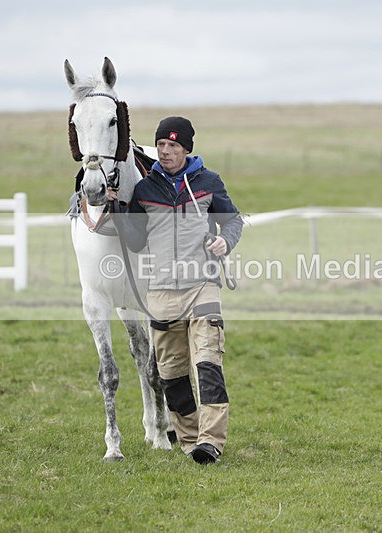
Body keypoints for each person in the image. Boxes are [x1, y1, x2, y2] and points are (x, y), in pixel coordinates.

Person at [114, 116, 243, 464]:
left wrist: (223, 241)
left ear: (186, 148)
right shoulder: (145, 190)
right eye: (160, 145)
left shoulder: (208, 182)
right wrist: (117, 211)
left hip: (202, 286)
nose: (165, 151)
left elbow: (233, 220)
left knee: (208, 363)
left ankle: (211, 442)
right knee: (172, 374)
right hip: (160, 292)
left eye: (172, 145)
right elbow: (137, 242)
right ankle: (190, 442)